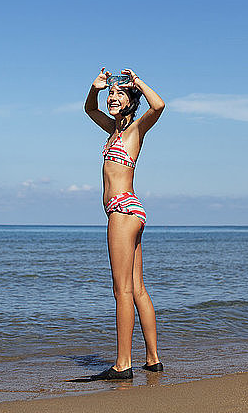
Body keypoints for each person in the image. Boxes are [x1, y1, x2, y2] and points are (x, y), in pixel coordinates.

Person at [84, 67, 165, 380]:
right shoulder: (112, 131)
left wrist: (138, 83)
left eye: (118, 95)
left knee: (122, 291)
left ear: (132, 101)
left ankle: (122, 365)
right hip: (131, 211)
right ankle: (153, 359)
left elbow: (158, 106)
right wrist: (95, 87)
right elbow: (89, 107)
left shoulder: (134, 131)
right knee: (138, 289)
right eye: (110, 95)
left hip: (121, 211)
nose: (111, 99)